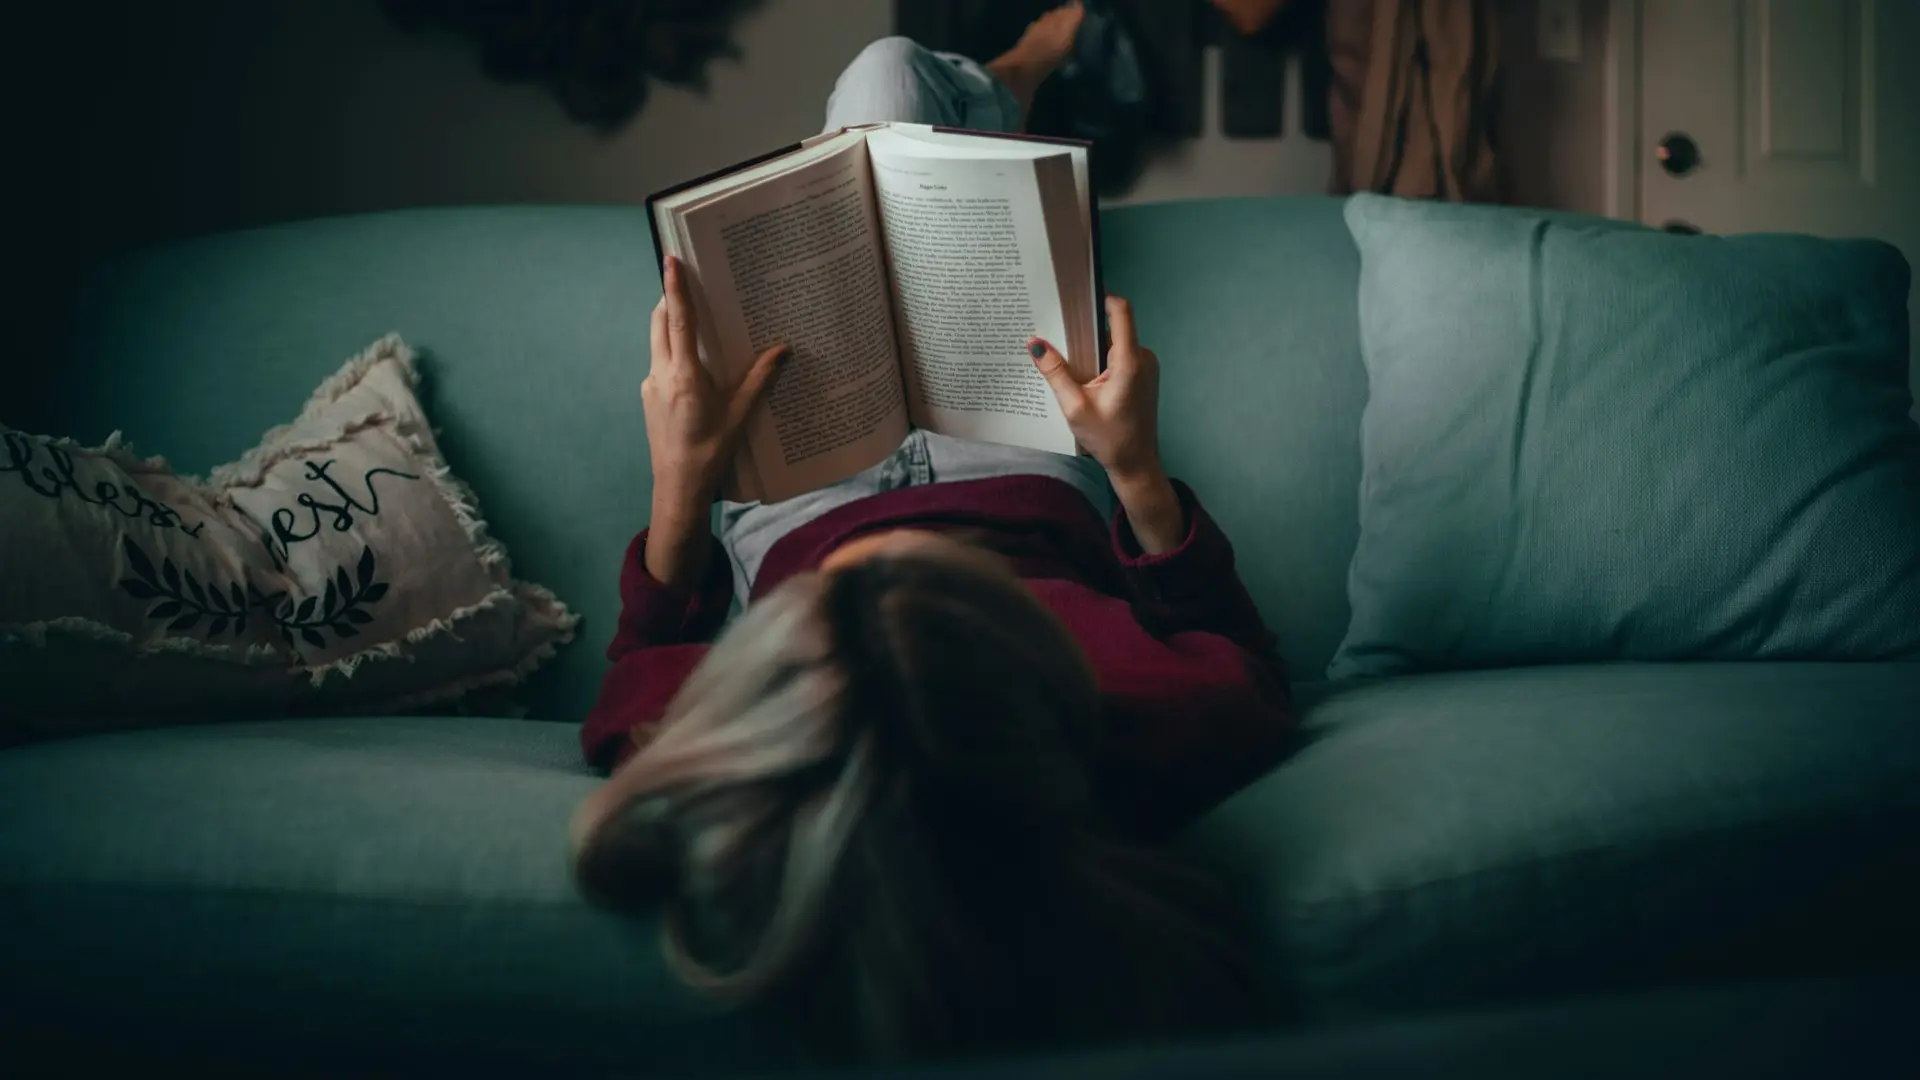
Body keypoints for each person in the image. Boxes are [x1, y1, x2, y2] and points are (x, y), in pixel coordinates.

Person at [569, 5, 1297, 1064]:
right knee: (893, 94)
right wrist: (1132, 465)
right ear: (1017, 673)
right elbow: (1254, 665)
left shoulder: (734, 759)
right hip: (1009, 460)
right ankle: (1024, 73)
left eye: (842, 604)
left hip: (798, 490)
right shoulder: (1142, 724)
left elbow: (639, 667)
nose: (892, 561)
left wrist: (679, 482)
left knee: (876, 109)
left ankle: (1012, 76)